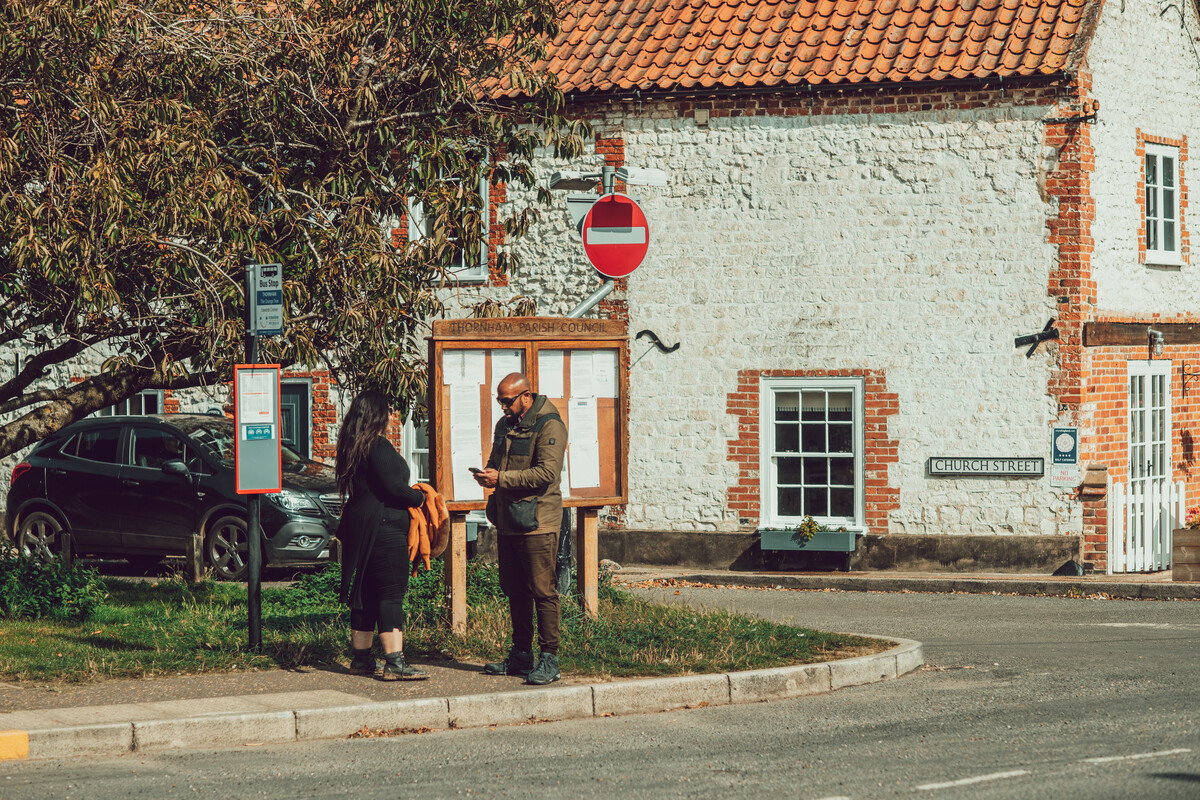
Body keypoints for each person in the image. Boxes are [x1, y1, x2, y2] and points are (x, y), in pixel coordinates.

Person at [473, 372, 568, 685]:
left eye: (506, 401)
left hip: (538, 521)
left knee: (543, 591)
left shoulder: (549, 423)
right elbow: (496, 460)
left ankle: (549, 659)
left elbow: (546, 473)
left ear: (526, 395)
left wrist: (500, 480)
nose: (502, 407)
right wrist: (488, 474)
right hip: (509, 520)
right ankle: (521, 656)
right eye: (499, 401)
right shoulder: (505, 424)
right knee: (514, 589)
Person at [334, 390, 429, 681]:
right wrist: (420, 498)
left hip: (360, 524)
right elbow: (393, 488)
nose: (391, 416)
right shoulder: (378, 445)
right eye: (387, 410)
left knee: (365, 591)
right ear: (376, 414)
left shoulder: (353, 444)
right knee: (390, 592)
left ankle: (361, 659)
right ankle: (394, 662)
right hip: (383, 525)